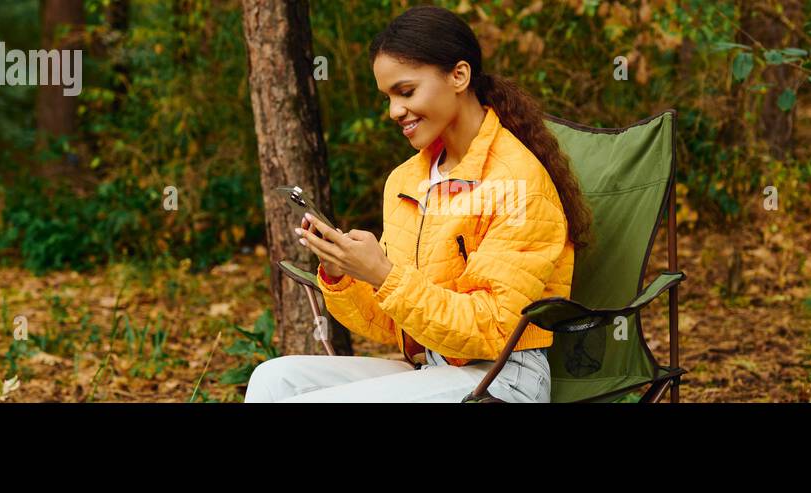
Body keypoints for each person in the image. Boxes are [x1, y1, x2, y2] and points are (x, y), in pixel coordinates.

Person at [245, 5, 591, 403]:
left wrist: (384, 273)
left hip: (504, 377)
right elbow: (392, 325)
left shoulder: (517, 184)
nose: (394, 111)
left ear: (459, 75)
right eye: (388, 96)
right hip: (433, 366)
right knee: (275, 378)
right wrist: (347, 274)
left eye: (406, 92)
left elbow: (493, 328)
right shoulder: (407, 181)